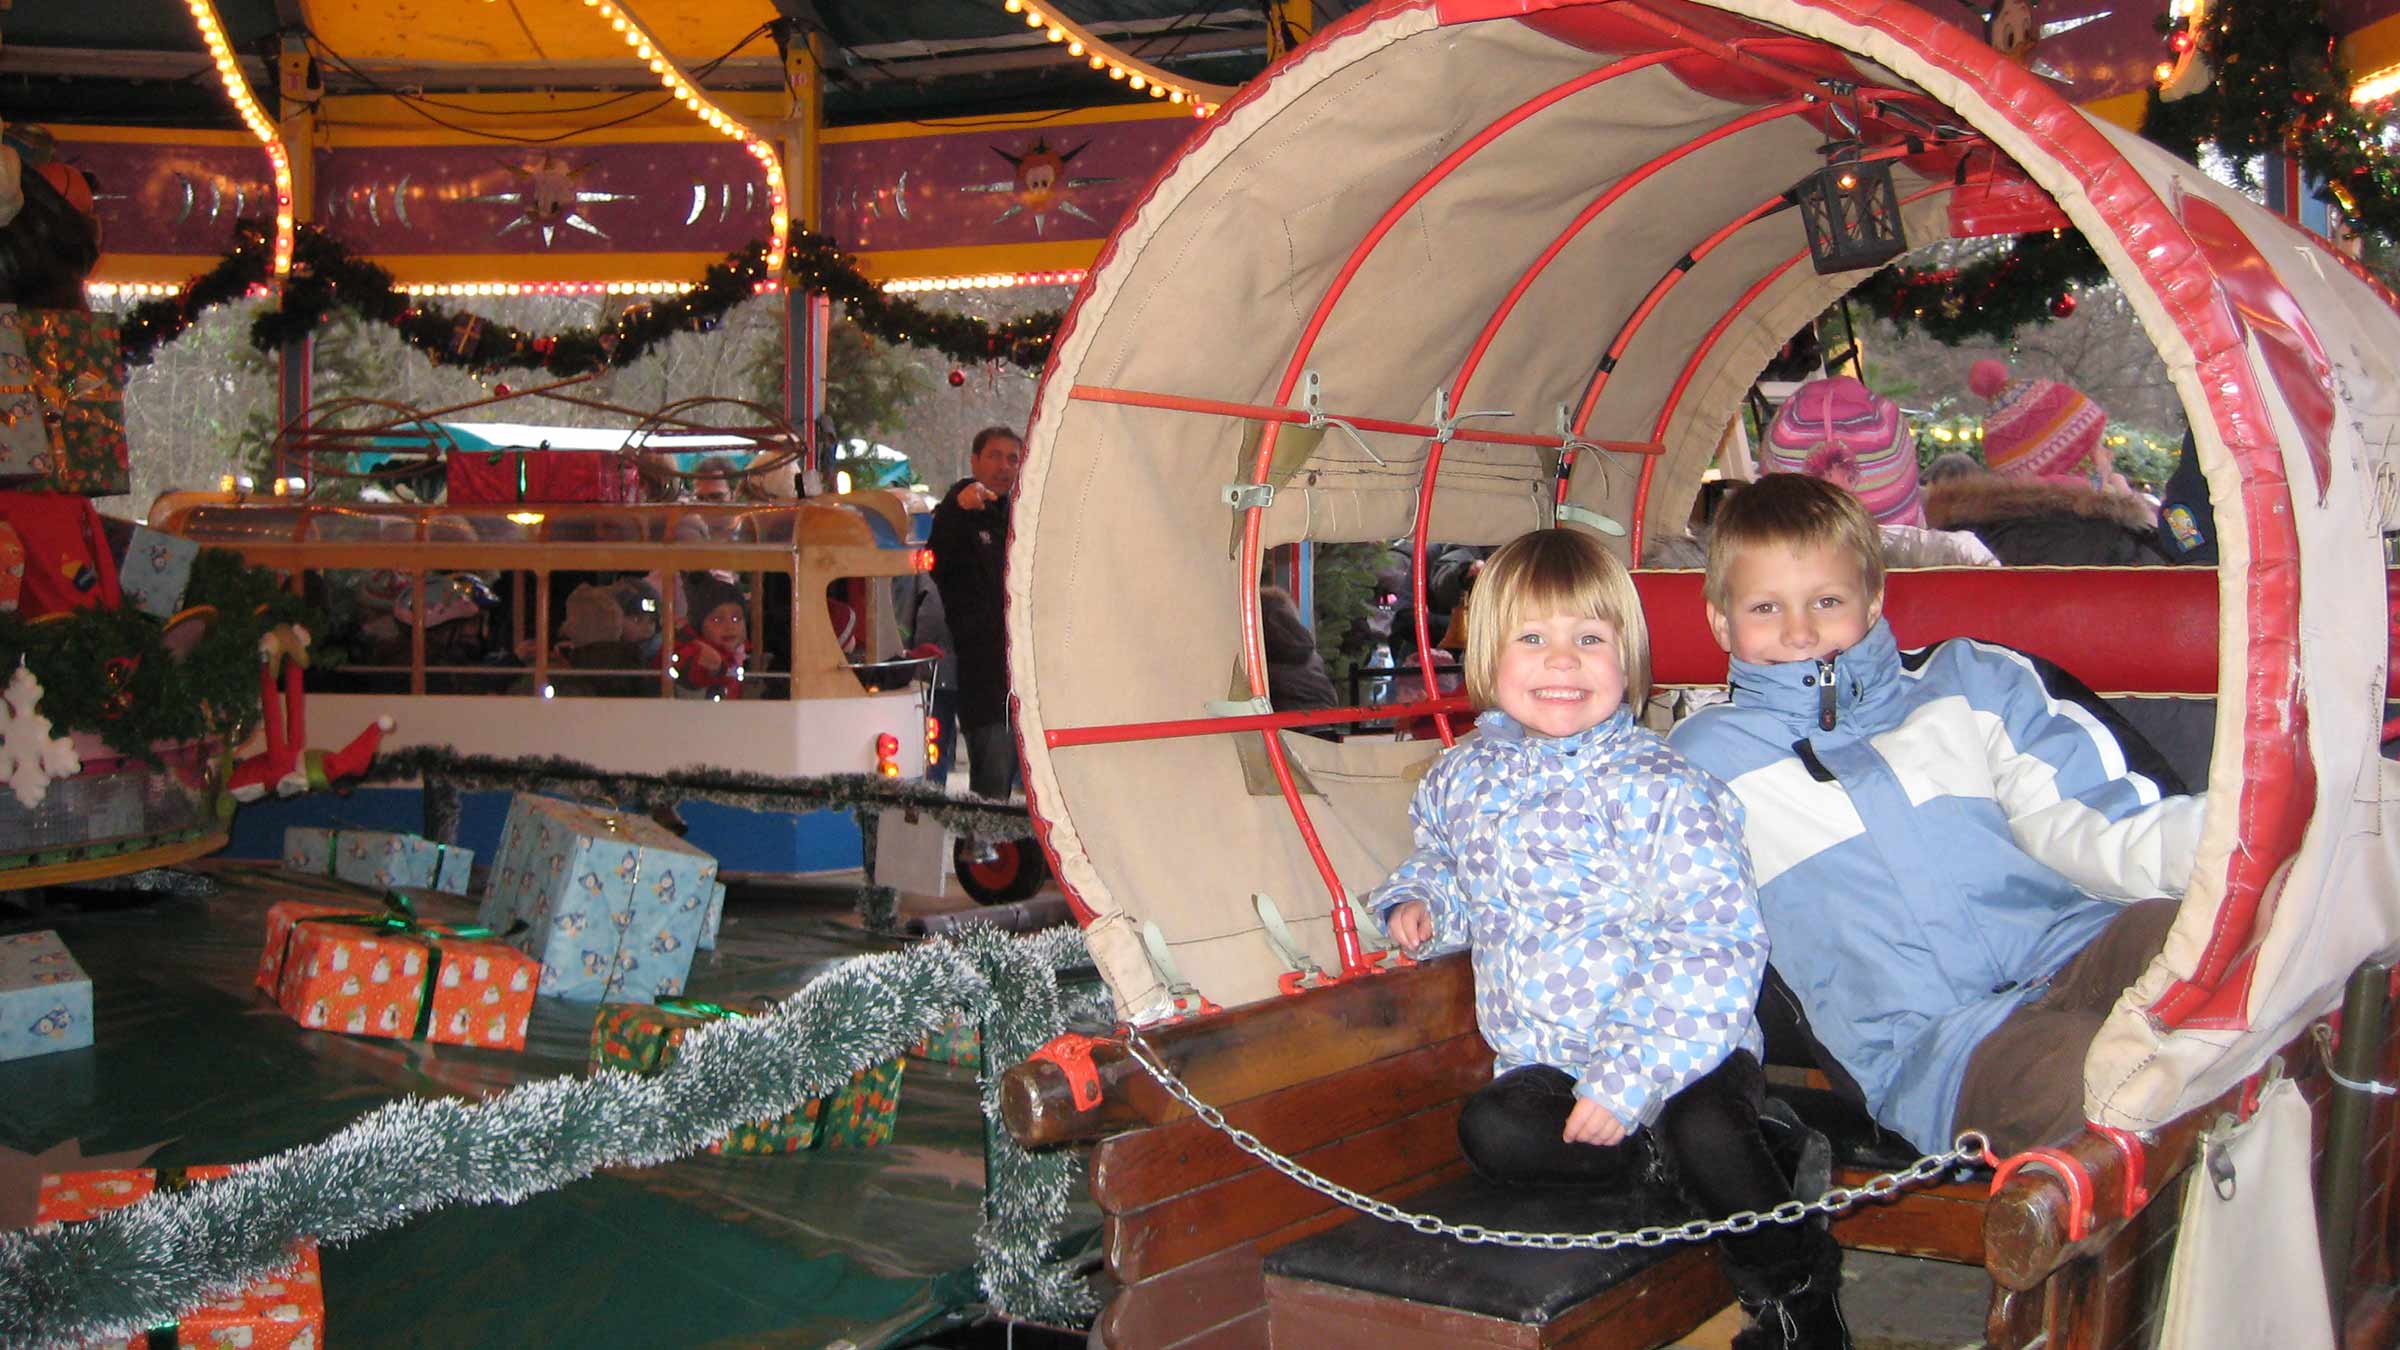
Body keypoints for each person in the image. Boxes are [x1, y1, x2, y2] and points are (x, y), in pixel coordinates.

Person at [1368, 527, 1847, 1349]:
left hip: (1683, 1050)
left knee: (1703, 1126)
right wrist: (1421, 903)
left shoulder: (1665, 791)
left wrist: (1629, 1080)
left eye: (1589, 640)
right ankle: (1716, 1168)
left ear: (1627, 658)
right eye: (1534, 640)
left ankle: (1797, 1296)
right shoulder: (1461, 780)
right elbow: (1446, 860)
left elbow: (1710, 944)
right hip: (1549, 1057)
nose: (1563, 663)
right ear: (1488, 656)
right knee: (1495, 1129)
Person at [1668, 475, 2205, 1160]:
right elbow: (1676, 924)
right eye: (1766, 607)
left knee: (2204, 943)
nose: (1800, 632)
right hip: (1941, 1045)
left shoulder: (1969, 683)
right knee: (2095, 1082)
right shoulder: (1703, 764)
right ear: (1722, 620)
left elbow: (2096, 820)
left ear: (1873, 599)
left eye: (1827, 600)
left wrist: (2237, 851)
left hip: (2076, 948)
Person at [929, 425, 1024, 800]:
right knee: (992, 779)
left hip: (1026, 677)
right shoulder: (958, 513)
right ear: (975, 461)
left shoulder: (1021, 516)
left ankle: (1022, 856)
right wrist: (956, 510)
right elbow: (937, 561)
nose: (1004, 466)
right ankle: (980, 852)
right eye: (995, 456)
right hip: (983, 676)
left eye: (1013, 458)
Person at [672, 575, 750, 700]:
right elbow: (689, 673)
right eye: (717, 619)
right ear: (699, 624)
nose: (729, 627)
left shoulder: (734, 655)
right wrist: (713, 669)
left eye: (736, 619)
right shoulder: (696, 651)